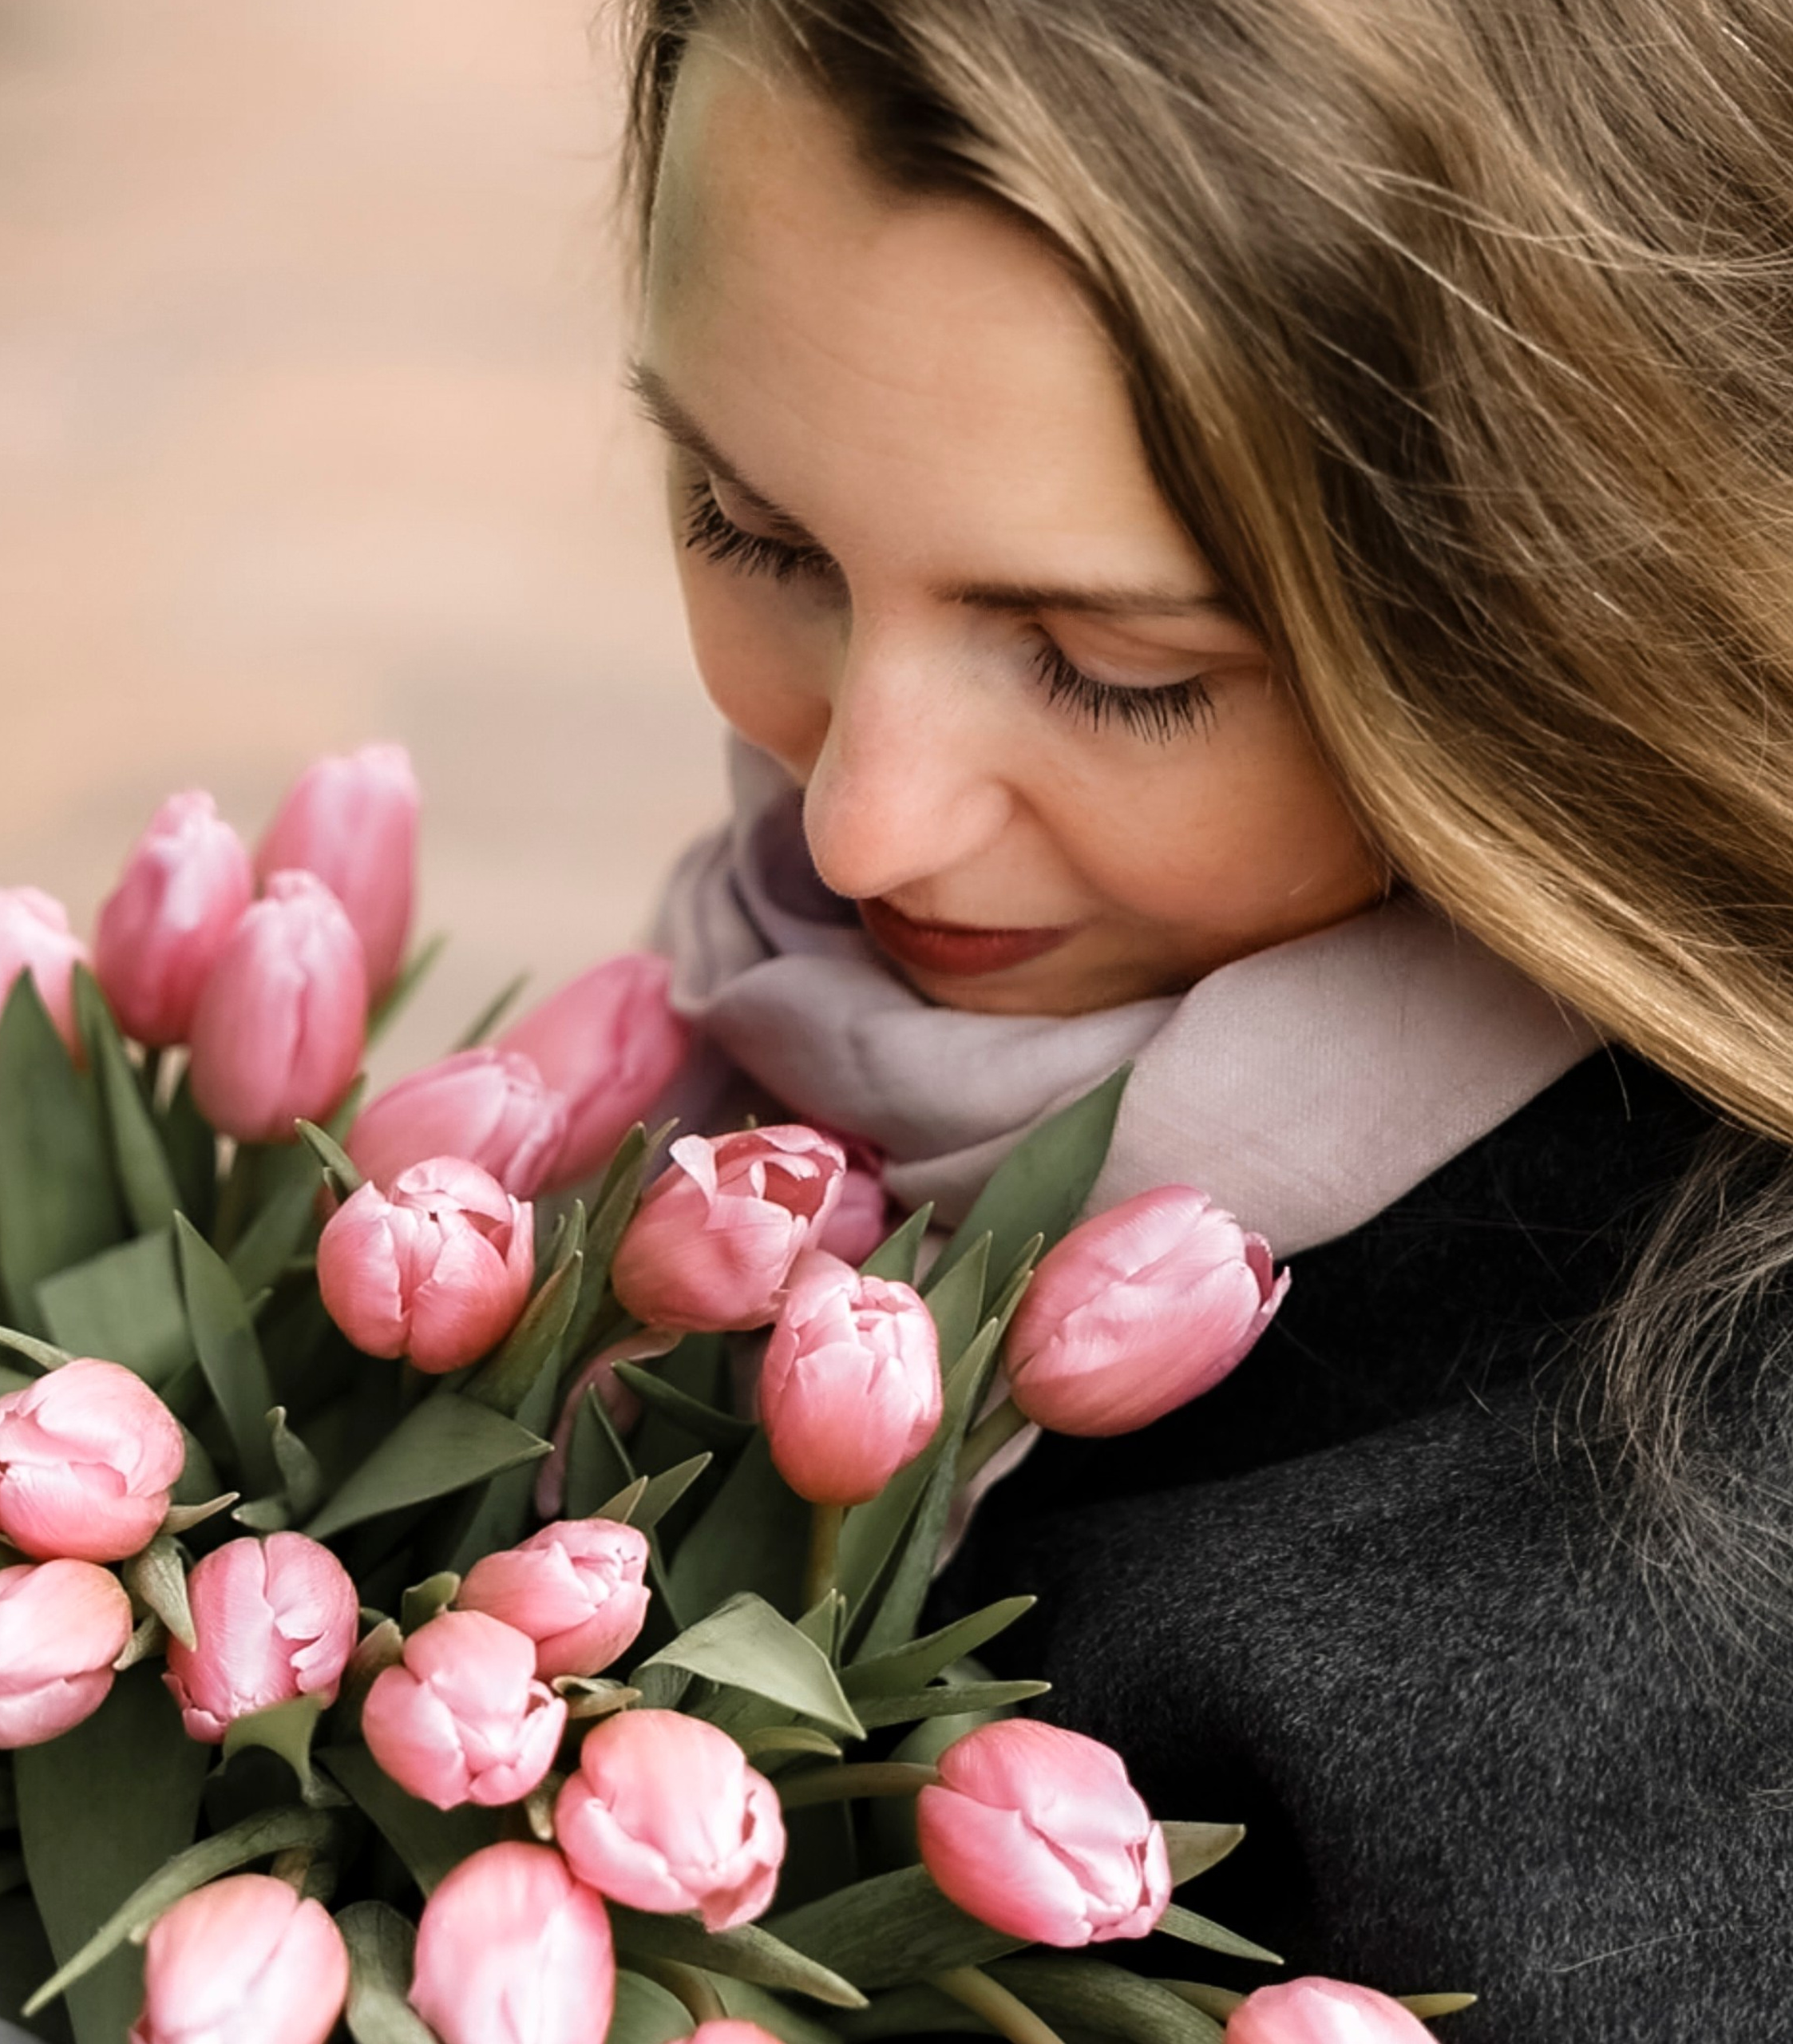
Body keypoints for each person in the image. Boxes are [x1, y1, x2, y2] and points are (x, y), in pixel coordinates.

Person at [623, 1, 1793, 2035]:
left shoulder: (1654, 1655)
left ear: (1575, 608)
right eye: (753, 533)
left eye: (1110, 666)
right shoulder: (750, 1050)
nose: (857, 818)